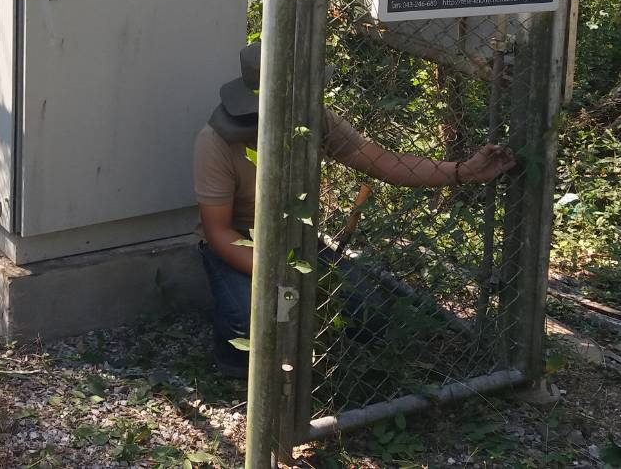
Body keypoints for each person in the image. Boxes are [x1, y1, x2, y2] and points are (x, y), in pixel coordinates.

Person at [194, 41, 516, 377]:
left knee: (370, 312)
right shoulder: (216, 143)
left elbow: (382, 161)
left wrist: (464, 171)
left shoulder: (316, 120)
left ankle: (329, 357)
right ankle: (237, 367)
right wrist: (280, 275)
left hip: (297, 239)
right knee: (249, 321)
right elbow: (218, 231)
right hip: (240, 242)